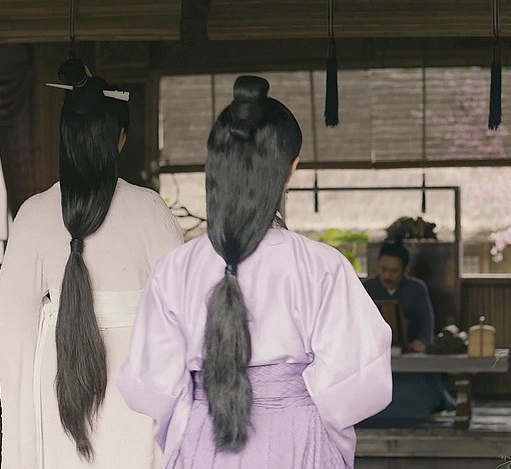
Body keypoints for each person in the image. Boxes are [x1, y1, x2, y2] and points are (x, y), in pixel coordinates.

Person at [116, 75, 392, 469]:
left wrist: (195, 416)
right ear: (291, 168)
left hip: (205, 437)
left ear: (216, 167)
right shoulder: (322, 266)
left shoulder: (176, 268)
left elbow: (152, 384)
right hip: (298, 439)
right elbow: (358, 380)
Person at [0, 61, 184, 468]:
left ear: (66, 136)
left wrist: (23, 416)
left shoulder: (34, 213)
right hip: (136, 377)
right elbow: (182, 308)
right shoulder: (149, 208)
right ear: (120, 138)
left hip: (59, 376)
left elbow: (10, 319)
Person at [363, 240, 455, 419]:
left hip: (409, 354)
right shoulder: (367, 288)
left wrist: (421, 341)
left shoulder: (416, 289)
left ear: (405, 270)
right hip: (375, 356)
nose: (387, 275)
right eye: (383, 269)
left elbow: (426, 323)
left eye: (394, 271)